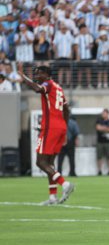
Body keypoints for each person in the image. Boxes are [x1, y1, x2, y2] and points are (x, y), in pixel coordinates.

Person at [19, 66, 74, 205]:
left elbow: (37, 89)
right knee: (50, 163)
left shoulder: (47, 84)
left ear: (46, 74)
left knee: (40, 162)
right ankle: (52, 197)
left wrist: (24, 78)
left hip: (50, 127)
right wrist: (64, 129)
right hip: (60, 127)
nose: (36, 77)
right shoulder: (58, 87)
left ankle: (65, 184)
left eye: (38, 74)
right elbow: (67, 109)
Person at [95, 108, 109, 175]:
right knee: (99, 157)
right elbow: (98, 128)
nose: (103, 114)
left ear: (107, 114)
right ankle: (99, 171)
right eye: (102, 113)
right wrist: (106, 128)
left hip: (108, 142)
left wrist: (102, 128)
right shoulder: (99, 121)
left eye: (104, 113)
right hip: (100, 142)